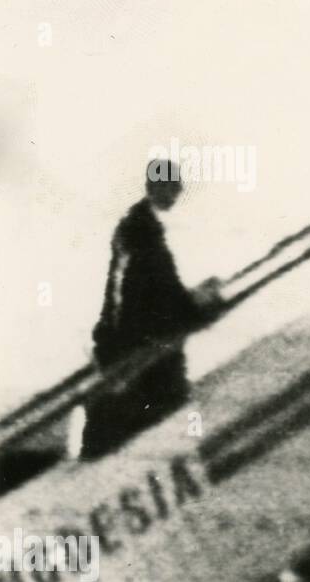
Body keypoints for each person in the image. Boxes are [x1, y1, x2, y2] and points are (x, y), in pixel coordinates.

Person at [81, 159, 220, 458]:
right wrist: (196, 310)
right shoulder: (143, 233)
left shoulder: (135, 227)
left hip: (132, 339)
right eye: (172, 187)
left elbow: (141, 290)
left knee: (150, 412)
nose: (177, 194)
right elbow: (158, 287)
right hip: (145, 344)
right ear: (156, 188)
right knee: (161, 409)